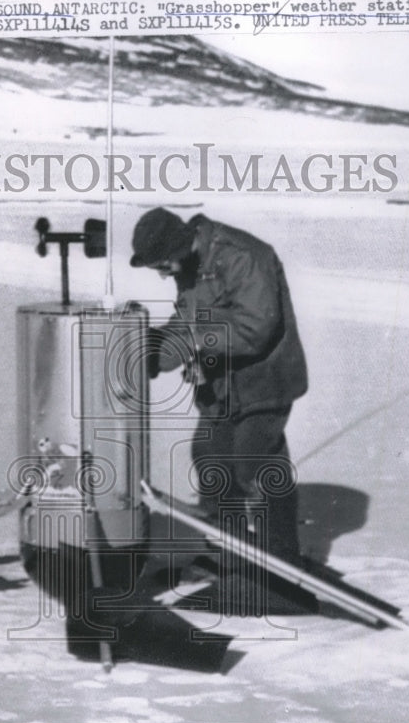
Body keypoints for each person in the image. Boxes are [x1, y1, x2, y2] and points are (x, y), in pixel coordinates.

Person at [130, 207, 308, 566]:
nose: (165, 275)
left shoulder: (242, 255)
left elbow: (257, 326)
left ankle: (280, 559)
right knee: (210, 458)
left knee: (253, 464)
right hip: (222, 386)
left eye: (164, 265)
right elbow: (187, 324)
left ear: (181, 244)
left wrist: (197, 340)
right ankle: (230, 549)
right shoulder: (190, 263)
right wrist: (150, 351)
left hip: (263, 380)